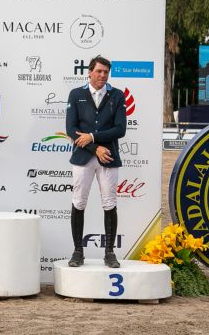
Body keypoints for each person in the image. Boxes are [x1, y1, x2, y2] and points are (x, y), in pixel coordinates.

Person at [65, 56, 126, 268]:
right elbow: (71, 129)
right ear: (89, 72)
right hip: (83, 157)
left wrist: (91, 136)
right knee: (79, 202)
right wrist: (94, 147)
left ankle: (109, 252)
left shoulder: (117, 95)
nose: (102, 75)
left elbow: (120, 129)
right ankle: (77, 251)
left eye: (106, 72)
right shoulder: (76, 94)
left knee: (109, 203)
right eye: (99, 71)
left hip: (109, 157)